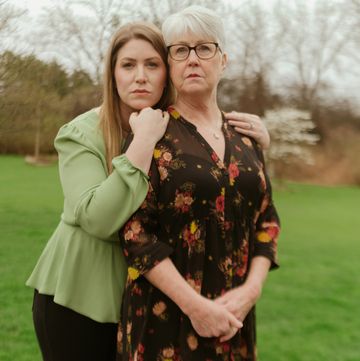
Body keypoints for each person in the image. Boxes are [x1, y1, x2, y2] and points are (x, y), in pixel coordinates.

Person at [26, 21, 270, 361]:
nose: (140, 76)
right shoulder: (81, 133)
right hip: (79, 298)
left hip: (145, 303)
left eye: (152, 64)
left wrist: (255, 143)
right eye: (128, 65)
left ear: (166, 71)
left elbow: (218, 177)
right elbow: (98, 219)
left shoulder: (175, 130)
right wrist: (142, 142)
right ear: (112, 74)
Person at [117, 7, 280, 361]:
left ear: (223, 60)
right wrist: (196, 308)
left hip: (233, 320)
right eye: (180, 50)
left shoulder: (247, 138)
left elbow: (267, 223)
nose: (192, 59)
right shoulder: (152, 133)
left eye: (204, 48)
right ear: (170, 64)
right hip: (165, 324)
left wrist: (251, 291)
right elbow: (135, 232)